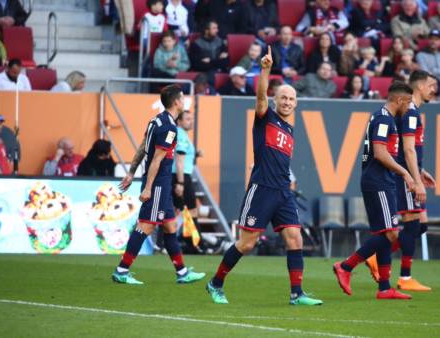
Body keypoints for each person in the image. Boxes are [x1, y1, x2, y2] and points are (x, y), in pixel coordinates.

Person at [205, 46, 323, 306]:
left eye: (291, 99)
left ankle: (297, 294)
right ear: (275, 100)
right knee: (246, 244)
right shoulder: (265, 117)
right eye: (283, 98)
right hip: (261, 189)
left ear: (296, 103)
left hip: (283, 191)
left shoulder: (290, 129)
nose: (287, 102)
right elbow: (260, 97)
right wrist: (265, 71)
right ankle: (215, 283)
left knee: (295, 237)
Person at [114, 85, 206, 285]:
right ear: (176, 102)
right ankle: (122, 270)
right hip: (157, 186)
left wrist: (131, 172)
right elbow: (156, 159)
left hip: (160, 186)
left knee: (170, 226)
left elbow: (142, 148)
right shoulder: (170, 128)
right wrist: (147, 187)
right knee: (145, 227)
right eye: (183, 99)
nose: (184, 102)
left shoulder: (156, 121)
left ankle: (181, 272)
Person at [333, 81, 415, 300]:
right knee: (391, 233)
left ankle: (385, 287)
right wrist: (405, 173)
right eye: (408, 103)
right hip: (378, 181)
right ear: (399, 100)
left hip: (381, 180)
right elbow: (379, 153)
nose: (409, 108)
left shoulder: (384, 118)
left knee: (384, 233)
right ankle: (346, 266)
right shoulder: (383, 118)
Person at [364, 71, 437, 291]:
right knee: (412, 223)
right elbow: (407, 149)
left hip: (408, 172)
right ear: (420, 86)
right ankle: (403, 276)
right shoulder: (411, 113)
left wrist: (421, 171)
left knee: (419, 225)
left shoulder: (409, 112)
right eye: (431, 85)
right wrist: (415, 179)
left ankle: (378, 258)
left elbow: (408, 150)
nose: (434, 90)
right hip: (403, 176)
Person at [172, 111, 202, 251]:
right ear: (179, 121)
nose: (191, 121)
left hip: (182, 175)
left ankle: (192, 242)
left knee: (188, 210)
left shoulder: (181, 135)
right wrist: (180, 183)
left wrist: (195, 153)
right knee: (188, 211)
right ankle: (193, 244)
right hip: (181, 176)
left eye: (192, 118)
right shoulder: (181, 134)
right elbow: (179, 161)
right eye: (188, 119)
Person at [416, 29, 440, 98]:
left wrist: (433, 70)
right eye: (431, 39)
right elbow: (426, 74)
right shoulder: (421, 54)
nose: (433, 41)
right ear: (428, 40)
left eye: (436, 39)